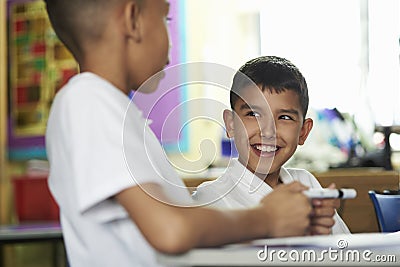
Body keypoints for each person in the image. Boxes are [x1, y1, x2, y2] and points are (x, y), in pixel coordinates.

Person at [43, 1, 316, 266]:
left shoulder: (111, 109)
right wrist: (268, 218)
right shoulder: (88, 99)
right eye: (165, 18)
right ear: (132, 20)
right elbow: (171, 231)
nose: (171, 44)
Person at [194, 56, 350, 235]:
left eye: (284, 117)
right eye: (253, 114)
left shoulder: (307, 184)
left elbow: (348, 253)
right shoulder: (208, 199)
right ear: (230, 124)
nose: (268, 131)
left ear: (303, 132)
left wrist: (323, 237)